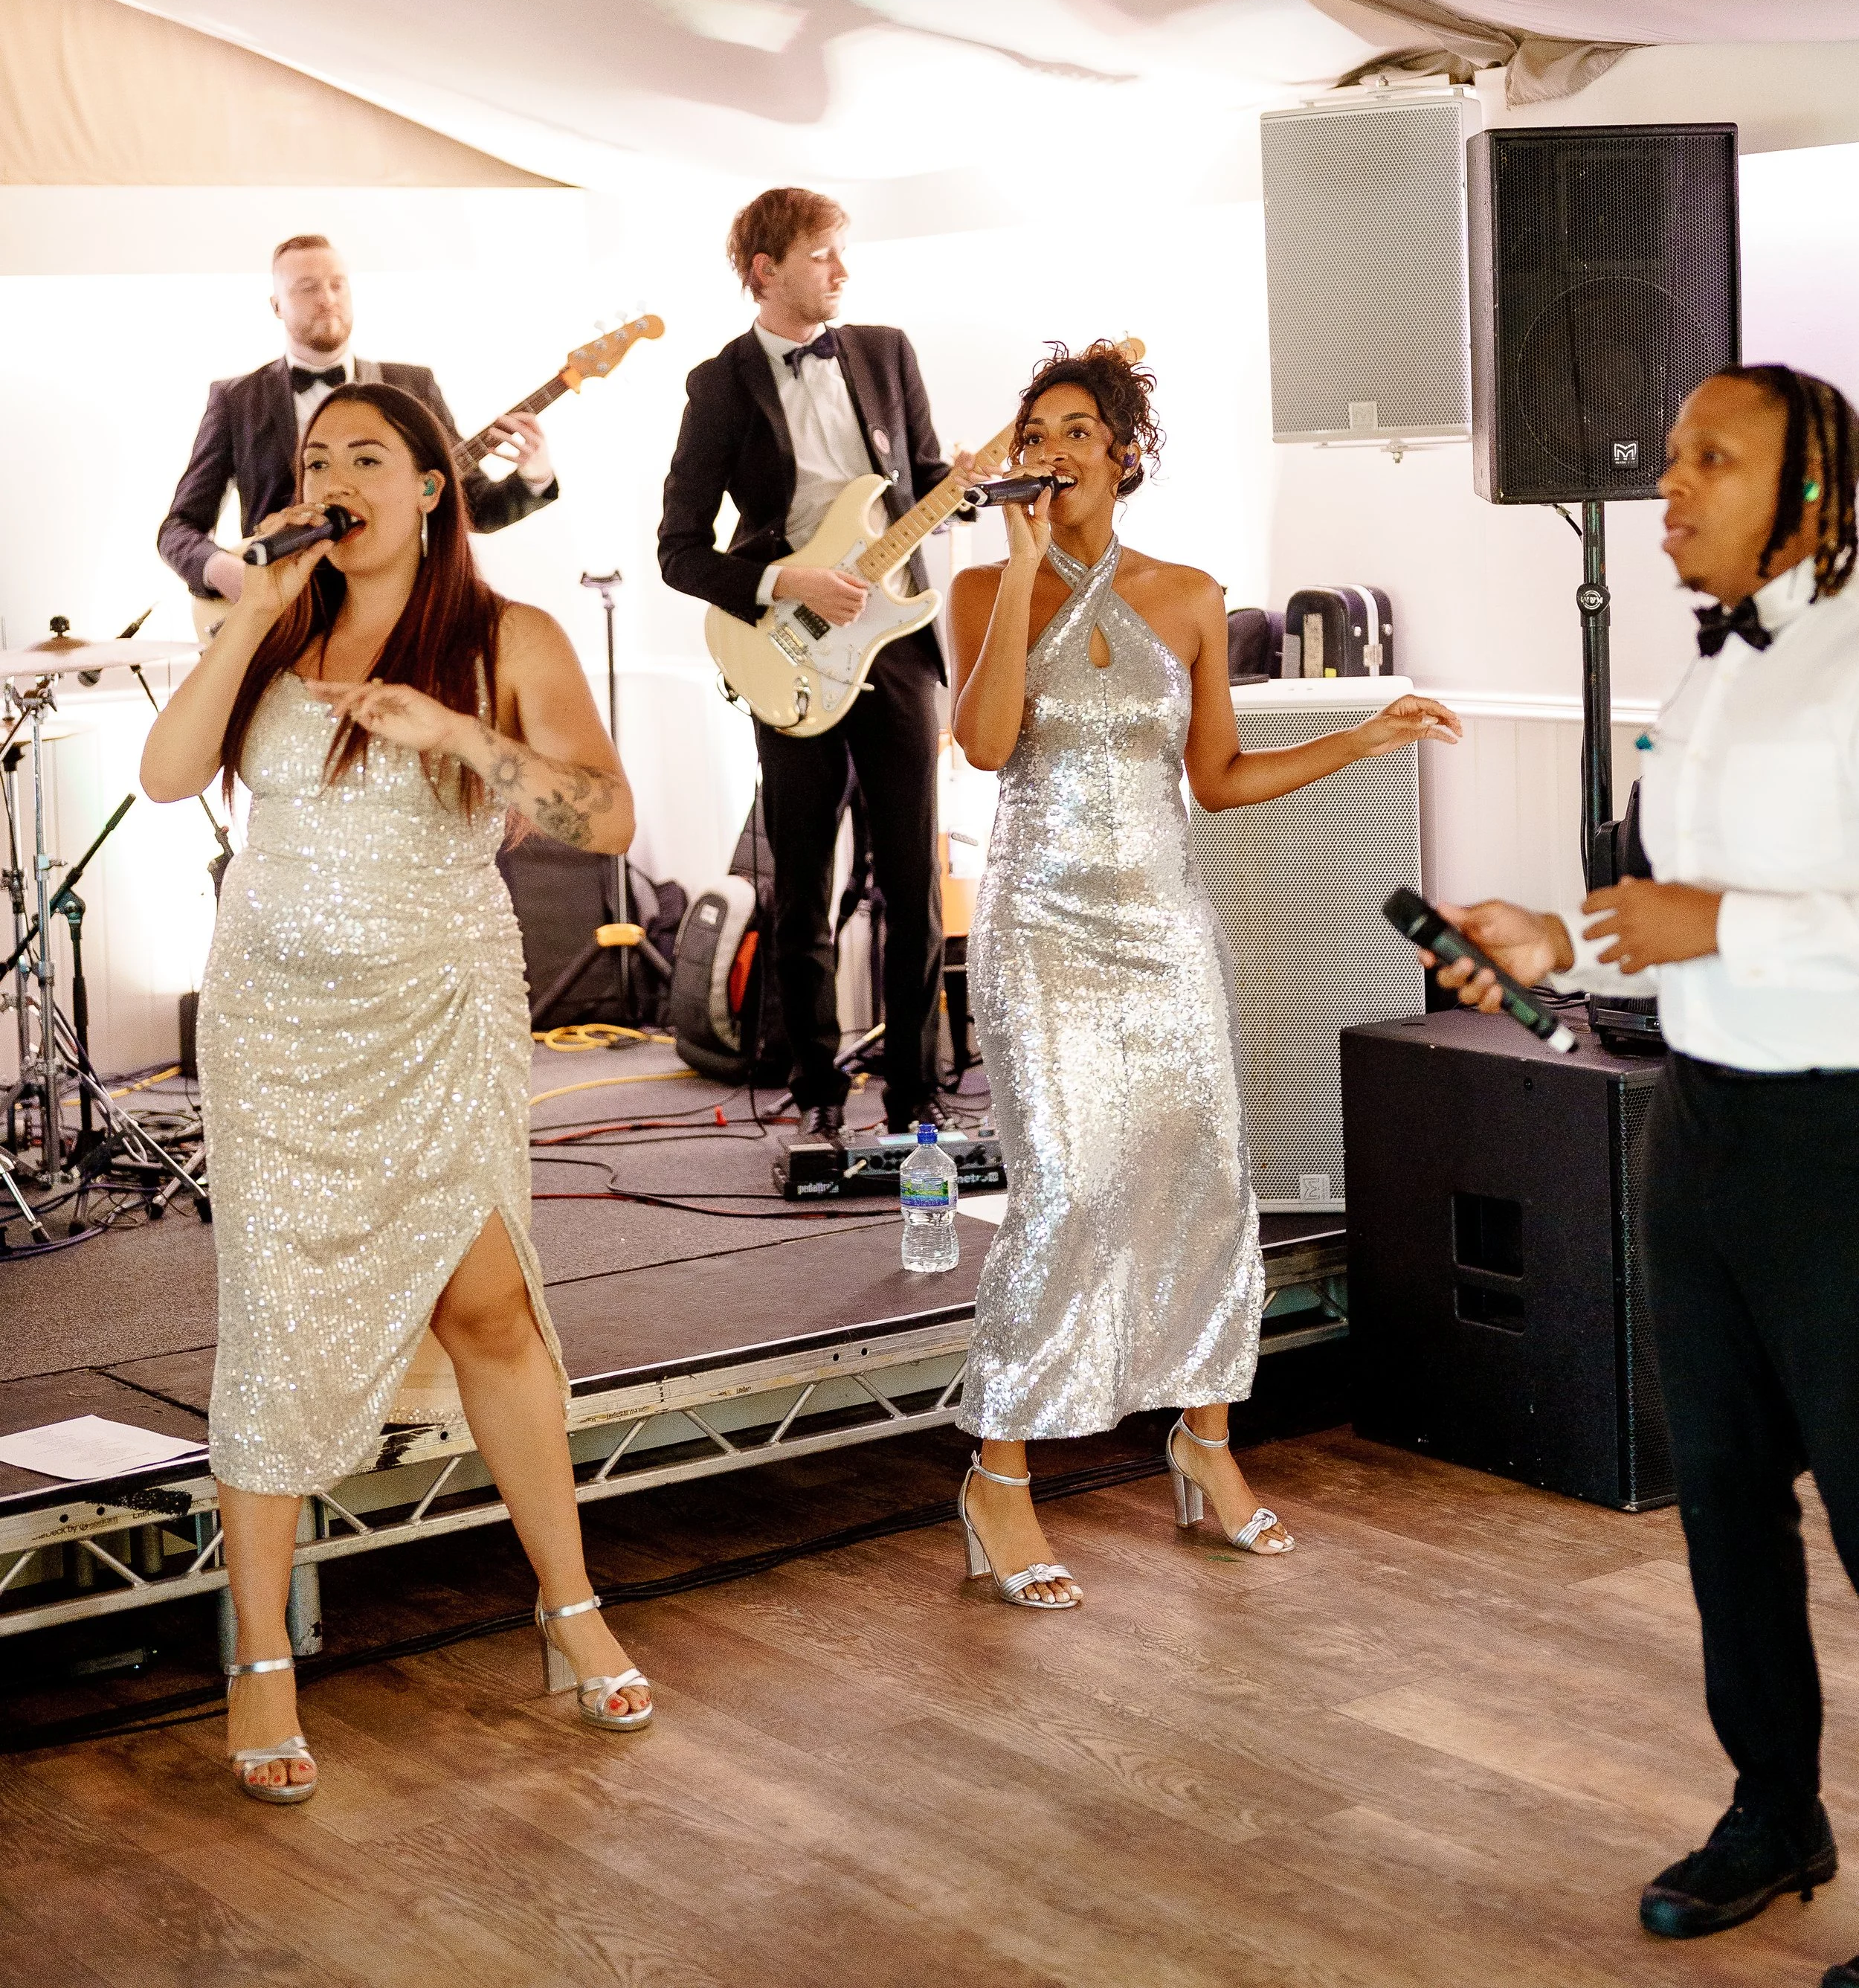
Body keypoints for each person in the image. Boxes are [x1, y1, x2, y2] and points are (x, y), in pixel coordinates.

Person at [141, 382, 649, 1807]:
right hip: (277, 1026)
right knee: (277, 1317)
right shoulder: (273, 624)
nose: (335, 475)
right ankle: (260, 1663)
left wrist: (461, 738)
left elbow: (604, 816)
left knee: (487, 1300)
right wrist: (250, 605)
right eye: (315, 460)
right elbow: (167, 772)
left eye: (368, 456)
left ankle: (569, 1609)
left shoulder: (508, 638)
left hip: (438, 1010)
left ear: (434, 487)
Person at [1428, 366, 1859, 1978]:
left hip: (1843, 1144)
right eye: (1669, 452)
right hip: (1703, 1128)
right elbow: (1656, 895)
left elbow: (1728, 909)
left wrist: (1730, 927)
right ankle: (1772, 1813)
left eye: (1708, 458)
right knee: (1726, 1512)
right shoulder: (1708, 672)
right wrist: (1549, 936)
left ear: (1810, 485)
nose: (1664, 483)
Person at [947, 341, 1460, 1606]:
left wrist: (1362, 735)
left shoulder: (1187, 596)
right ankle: (998, 1480)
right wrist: (1021, 579)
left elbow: (1221, 783)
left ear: (1125, 454)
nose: (1055, 452)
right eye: (1038, 432)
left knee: (1204, 1182)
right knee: (1064, 1189)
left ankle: (1206, 1445)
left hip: (1164, 930)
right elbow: (984, 743)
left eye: (1079, 432)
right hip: (1040, 929)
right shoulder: (975, 586)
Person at [658, 186, 959, 1137]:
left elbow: (927, 476)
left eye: (840, 252)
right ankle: (818, 1088)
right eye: (824, 253)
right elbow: (678, 549)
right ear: (765, 269)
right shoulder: (719, 385)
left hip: (896, 643)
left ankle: (917, 1095)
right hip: (787, 652)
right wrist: (786, 582)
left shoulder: (885, 351)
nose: (841, 269)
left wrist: (990, 485)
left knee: (913, 880)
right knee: (802, 887)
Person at [158, 232, 558, 611]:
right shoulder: (235, 400)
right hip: (282, 620)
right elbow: (178, 528)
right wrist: (223, 571)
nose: (327, 299)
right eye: (307, 287)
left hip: (398, 613)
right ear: (276, 305)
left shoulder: (413, 386)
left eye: (338, 284)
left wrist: (534, 476)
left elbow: (473, 508)